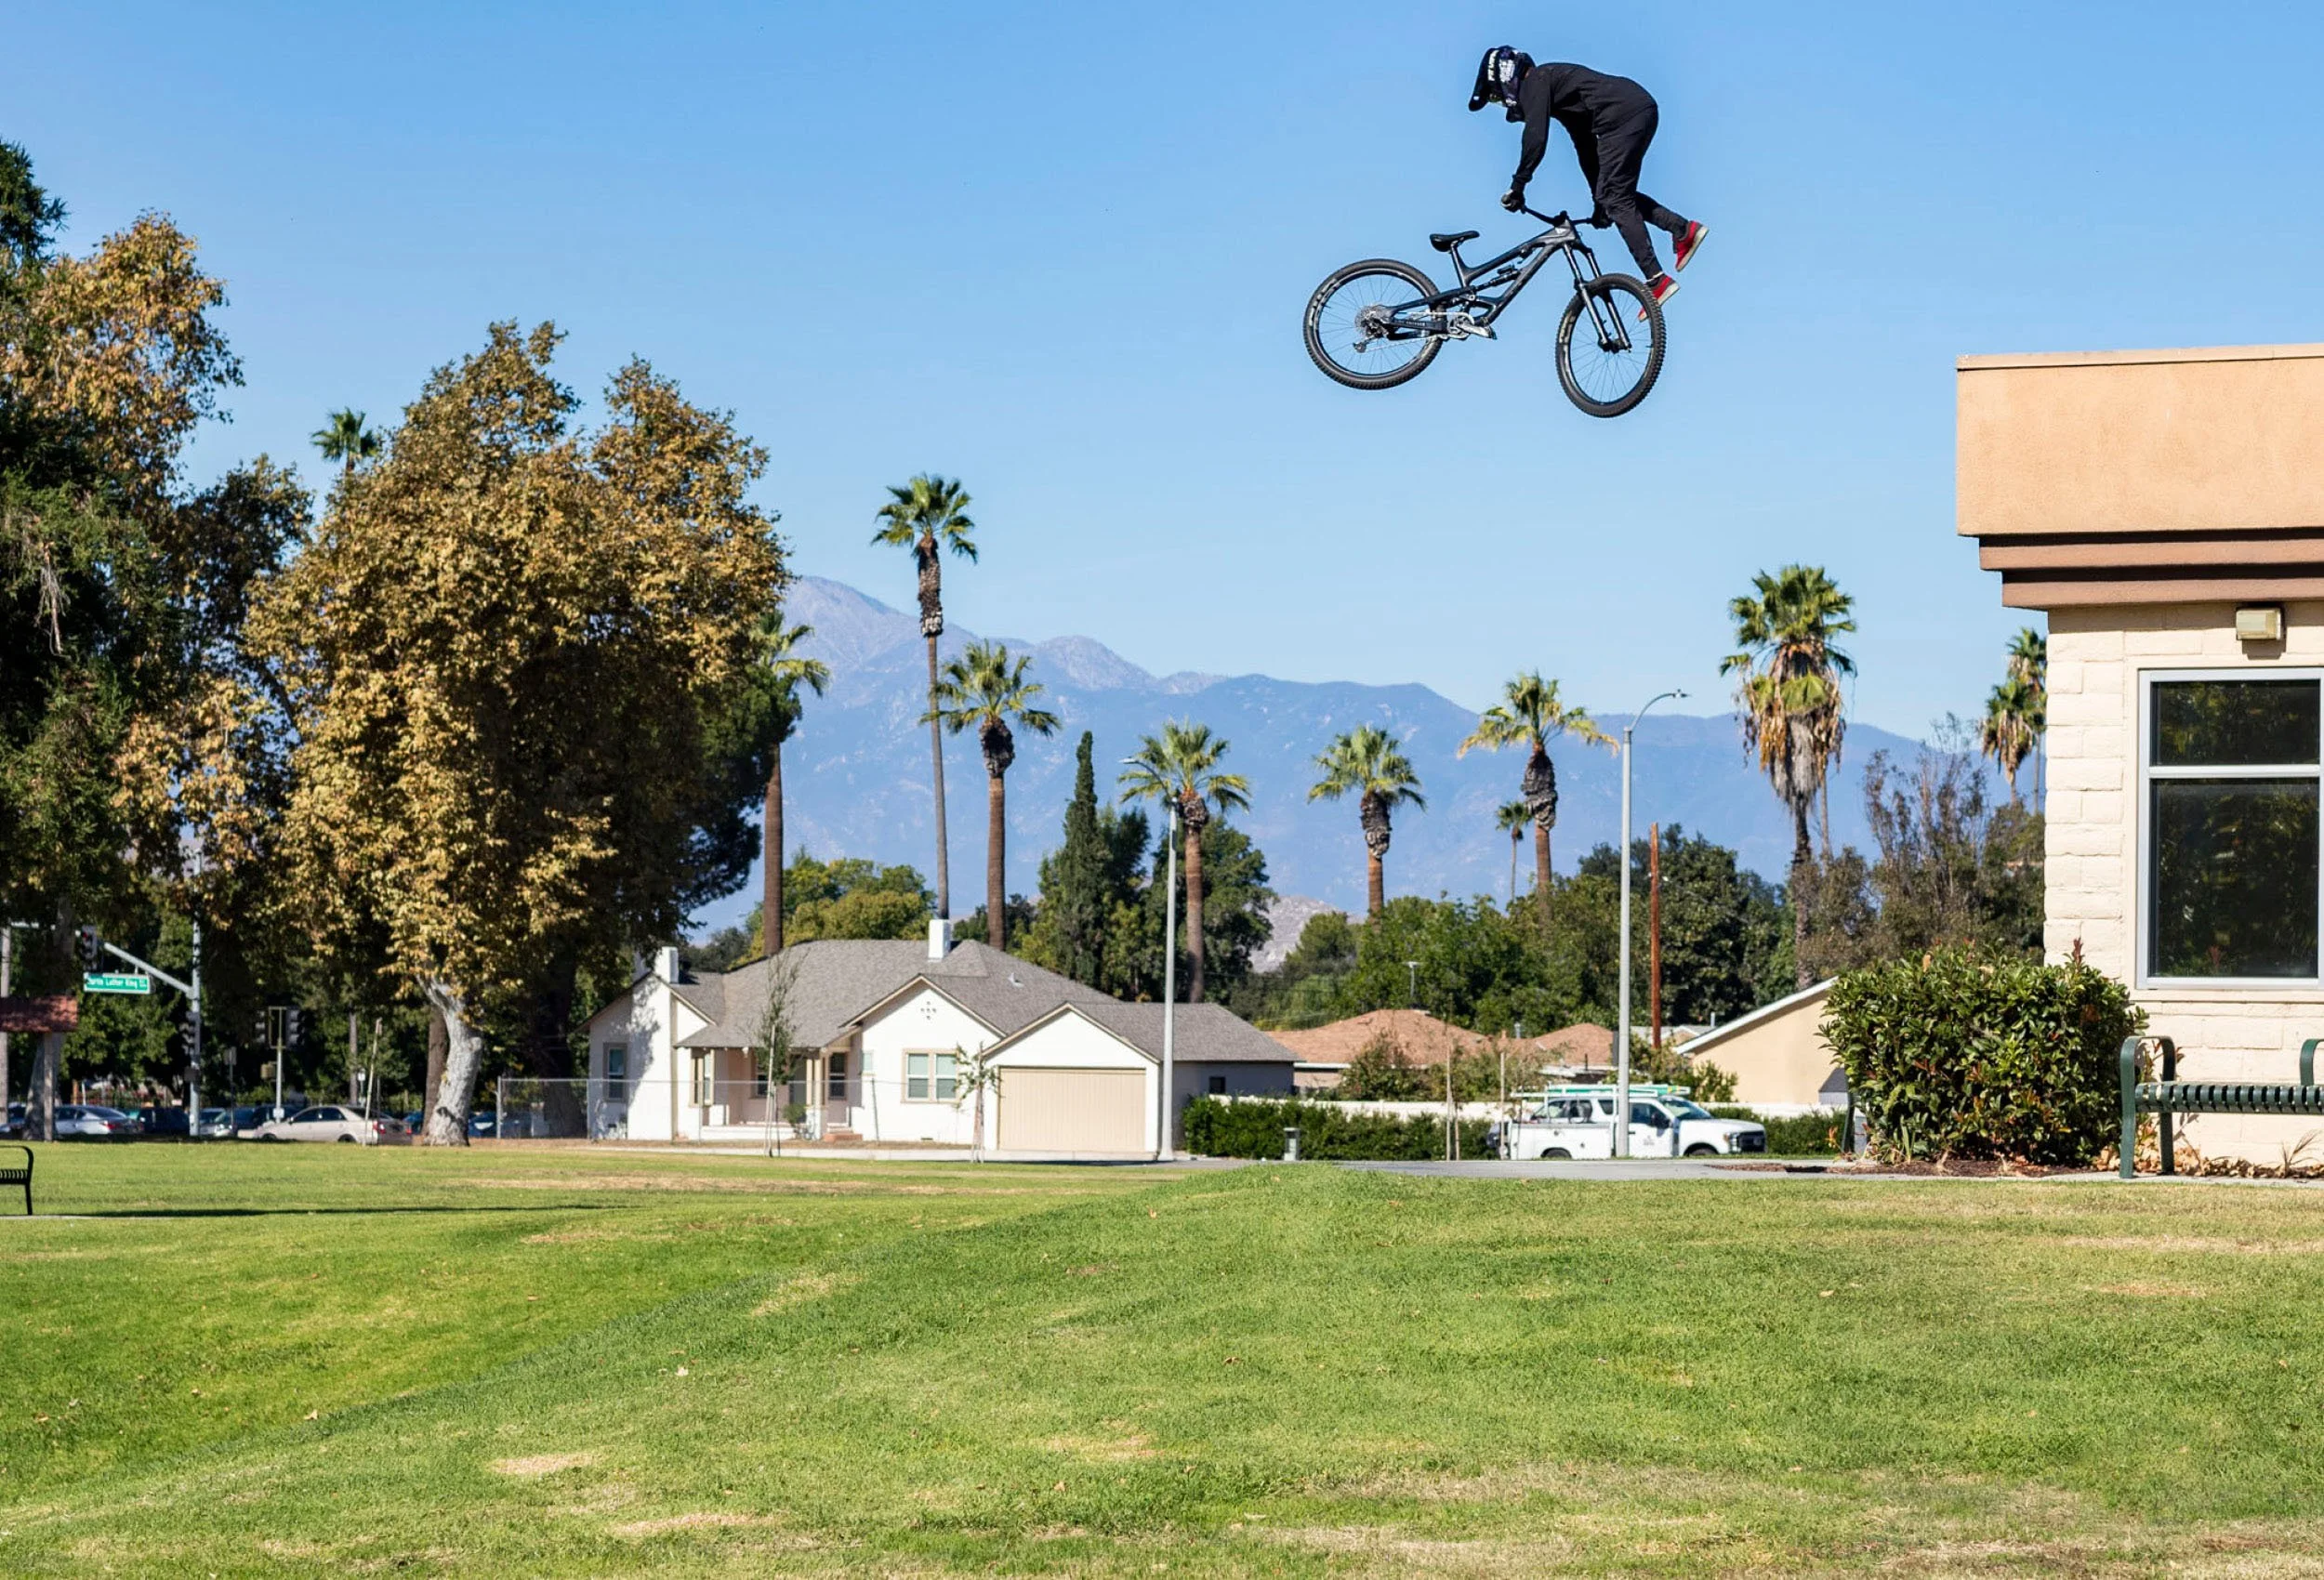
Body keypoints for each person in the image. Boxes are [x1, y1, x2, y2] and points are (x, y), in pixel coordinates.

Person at [1470, 47, 1705, 312]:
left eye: (1495, 96)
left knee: (1615, 199)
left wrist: (1517, 186)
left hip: (1622, 118)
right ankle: (1682, 229)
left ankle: (1657, 279)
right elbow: (1585, 148)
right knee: (1615, 197)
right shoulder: (1557, 91)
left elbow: (1535, 137)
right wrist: (1598, 203)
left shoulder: (1536, 81)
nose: (1502, 103)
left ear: (1505, 78)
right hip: (1635, 109)